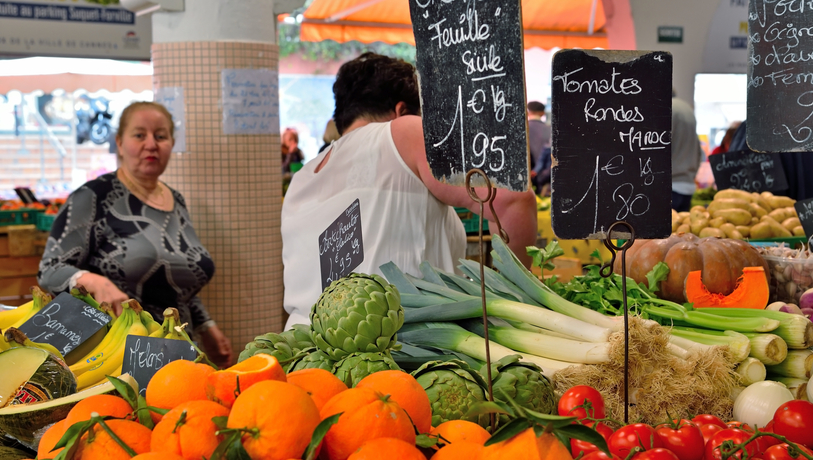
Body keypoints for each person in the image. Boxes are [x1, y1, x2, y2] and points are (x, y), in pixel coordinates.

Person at [281, 53, 536, 327]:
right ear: (402, 110)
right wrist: (509, 302)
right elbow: (511, 197)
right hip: (394, 356)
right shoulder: (401, 132)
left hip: (303, 355)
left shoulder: (304, 175)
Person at [38, 101, 233, 367]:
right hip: (113, 356)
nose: (151, 144)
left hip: (181, 353)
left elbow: (174, 283)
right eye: (139, 135)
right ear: (119, 143)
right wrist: (95, 281)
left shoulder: (175, 201)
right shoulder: (93, 196)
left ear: (171, 144)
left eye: (160, 136)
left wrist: (207, 325)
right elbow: (49, 270)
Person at [670, 95, 704, 212]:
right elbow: (698, 150)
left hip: (671, 186)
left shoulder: (667, 108)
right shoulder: (687, 109)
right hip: (688, 185)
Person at [527, 101, 550, 175]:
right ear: (543, 113)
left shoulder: (521, 129)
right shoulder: (549, 129)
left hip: (526, 173)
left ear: (528, 112)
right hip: (544, 174)